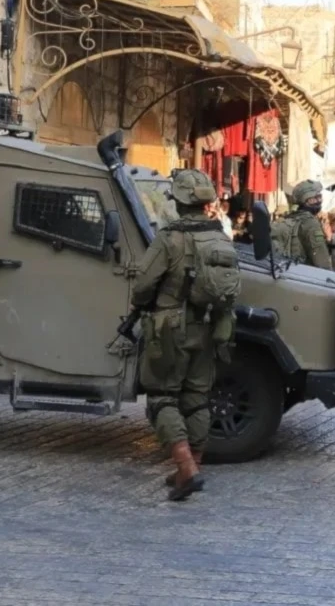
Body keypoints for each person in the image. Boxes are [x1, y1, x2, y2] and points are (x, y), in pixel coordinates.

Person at [131, 169, 241, 501]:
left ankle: (186, 469)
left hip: (170, 329)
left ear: (179, 202)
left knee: (162, 397)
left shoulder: (170, 238)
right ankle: (193, 464)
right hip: (207, 327)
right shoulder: (220, 237)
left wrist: (143, 302)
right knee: (196, 399)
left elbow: (143, 285)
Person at [270, 180, 331, 269]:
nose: (320, 201)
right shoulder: (310, 223)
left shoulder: (292, 217)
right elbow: (322, 260)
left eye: (320, 197)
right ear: (308, 200)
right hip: (307, 273)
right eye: (317, 197)